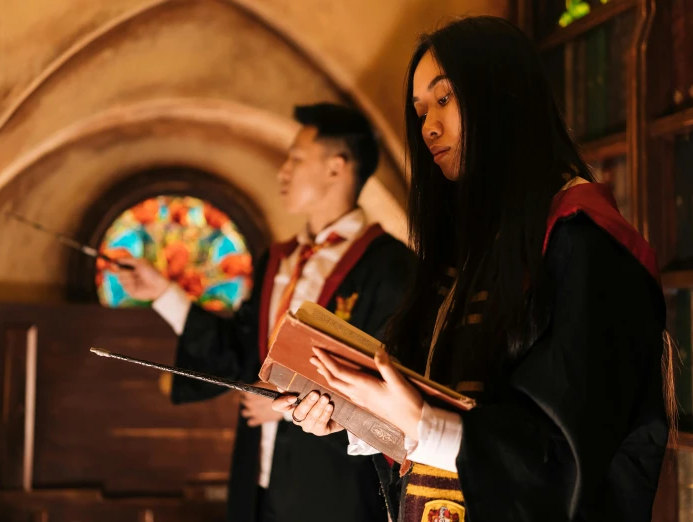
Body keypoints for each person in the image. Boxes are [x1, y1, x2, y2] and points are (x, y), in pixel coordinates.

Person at [274, 17, 674, 522]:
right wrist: (355, 413)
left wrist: (420, 420)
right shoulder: (469, 254)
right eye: (420, 111)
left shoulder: (586, 240)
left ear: (504, 98)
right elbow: (435, 417)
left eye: (444, 99)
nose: (428, 128)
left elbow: (572, 454)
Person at [115, 102, 414, 522]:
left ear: (336, 168)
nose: (282, 172)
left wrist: (291, 408)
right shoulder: (277, 262)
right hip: (258, 475)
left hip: (333, 489)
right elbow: (238, 357)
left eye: (295, 158)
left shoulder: (389, 267)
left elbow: (388, 390)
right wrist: (163, 292)